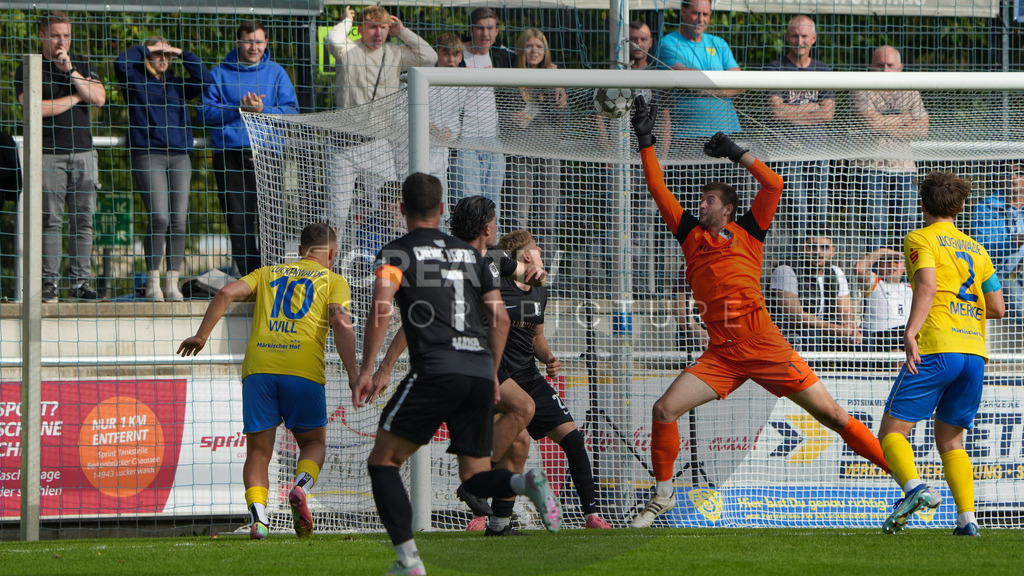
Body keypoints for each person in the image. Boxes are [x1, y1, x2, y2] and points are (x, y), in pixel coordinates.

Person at [628, 95, 891, 528]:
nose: (701, 204)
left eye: (709, 200)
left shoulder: (748, 230)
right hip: (722, 354)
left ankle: (909, 481)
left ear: (728, 209)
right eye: (701, 200)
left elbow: (774, 185)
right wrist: (646, 139)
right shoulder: (689, 234)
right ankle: (663, 495)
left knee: (835, 417)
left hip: (765, 345)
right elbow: (658, 187)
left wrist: (736, 152)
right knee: (663, 410)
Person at [351, 173, 560, 575]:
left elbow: (382, 309)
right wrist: (491, 373)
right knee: (476, 475)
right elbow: (499, 317)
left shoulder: (396, 252)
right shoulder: (472, 258)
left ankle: (408, 562)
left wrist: (367, 369)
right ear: (442, 209)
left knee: (383, 462)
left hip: (436, 368)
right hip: (479, 372)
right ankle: (524, 483)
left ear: (401, 208)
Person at [176, 222, 359, 540]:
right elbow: (341, 324)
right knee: (313, 443)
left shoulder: (267, 273)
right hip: (303, 370)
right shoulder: (334, 280)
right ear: (332, 253)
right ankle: (300, 487)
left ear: (300, 251)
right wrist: (355, 375)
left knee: (259, 452)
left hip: (259, 370)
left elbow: (225, 293)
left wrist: (202, 335)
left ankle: (259, 520)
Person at [878, 170, 1005, 537]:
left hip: (938, 345)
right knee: (951, 440)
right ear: (960, 207)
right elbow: (997, 307)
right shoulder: (977, 249)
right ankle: (968, 521)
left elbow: (928, 286)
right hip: (974, 354)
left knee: (892, 431)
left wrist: (911, 331)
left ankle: (915, 488)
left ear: (922, 205)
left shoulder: (920, 237)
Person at [483, 229, 613, 532]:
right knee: (512, 447)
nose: (541, 249)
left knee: (574, 439)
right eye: (535, 247)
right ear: (526, 255)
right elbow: (486, 257)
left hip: (529, 376)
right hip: (499, 377)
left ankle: (591, 515)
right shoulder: (497, 284)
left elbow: (537, 337)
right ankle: (482, 510)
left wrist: (549, 359)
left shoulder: (541, 289)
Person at [15, 10, 106, 302]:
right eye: (55, 35)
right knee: (50, 220)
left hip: (84, 153)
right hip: (48, 155)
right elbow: (34, 110)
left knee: (84, 221)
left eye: (66, 35)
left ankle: (80, 284)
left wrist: (70, 73)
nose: (61, 41)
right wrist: (77, 97)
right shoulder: (29, 67)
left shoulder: (80, 63)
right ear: (42, 35)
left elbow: (100, 98)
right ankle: (48, 285)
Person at [115, 36, 212, 302]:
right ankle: (152, 281)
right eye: (158, 54)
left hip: (180, 156)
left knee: (179, 220)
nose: (163, 59)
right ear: (147, 56)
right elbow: (121, 62)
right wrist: (148, 49)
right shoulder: (135, 79)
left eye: (167, 55)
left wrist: (181, 52)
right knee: (160, 217)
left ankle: (173, 282)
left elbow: (204, 79)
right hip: (148, 155)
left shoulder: (178, 84)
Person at [201, 20, 299, 277]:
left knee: (272, 220)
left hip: (269, 154)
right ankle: (251, 279)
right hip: (229, 155)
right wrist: (238, 110)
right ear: (238, 42)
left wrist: (262, 110)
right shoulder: (219, 73)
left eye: (259, 41)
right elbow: (203, 113)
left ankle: (275, 277)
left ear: (266, 43)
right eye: (248, 41)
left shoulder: (277, 72)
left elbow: (292, 111)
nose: (253, 47)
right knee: (238, 221)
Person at [324, 4, 436, 226]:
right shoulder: (347, 49)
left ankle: (390, 259)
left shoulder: (394, 53)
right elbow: (332, 39)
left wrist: (402, 31)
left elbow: (429, 57)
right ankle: (330, 261)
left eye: (383, 27)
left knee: (390, 211)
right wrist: (347, 20)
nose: (378, 33)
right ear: (361, 28)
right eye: (373, 27)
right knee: (336, 215)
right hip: (342, 145)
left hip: (377, 144)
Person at [852, 46, 929, 252]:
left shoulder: (910, 90)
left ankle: (905, 280)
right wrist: (905, 119)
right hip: (870, 167)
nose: (885, 70)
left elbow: (922, 128)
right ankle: (876, 280)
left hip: (904, 168)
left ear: (900, 68)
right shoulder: (861, 88)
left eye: (890, 66)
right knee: (876, 226)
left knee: (908, 225)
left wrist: (884, 122)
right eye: (880, 65)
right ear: (870, 68)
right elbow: (872, 125)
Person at [764, 15, 834, 233]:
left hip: (818, 152)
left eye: (804, 36)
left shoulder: (823, 71)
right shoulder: (774, 69)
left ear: (813, 38)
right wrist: (813, 107)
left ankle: (819, 263)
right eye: (795, 35)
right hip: (787, 152)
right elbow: (776, 112)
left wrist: (791, 110)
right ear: (787, 37)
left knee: (820, 211)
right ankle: (797, 262)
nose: (799, 41)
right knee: (798, 212)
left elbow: (828, 114)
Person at [505, 29, 566, 241]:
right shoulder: (509, 78)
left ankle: (544, 266)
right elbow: (506, 118)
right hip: (520, 154)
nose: (534, 51)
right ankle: (516, 268)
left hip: (549, 153)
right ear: (521, 49)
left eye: (539, 47)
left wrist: (555, 84)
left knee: (546, 219)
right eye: (529, 46)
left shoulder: (553, 78)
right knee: (518, 216)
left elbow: (561, 118)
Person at [451, 7, 513, 211]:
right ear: (470, 29)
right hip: (464, 141)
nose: (485, 34)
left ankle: (491, 244)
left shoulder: (503, 57)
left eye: (490, 28)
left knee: (492, 205)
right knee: (469, 204)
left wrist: (554, 77)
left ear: (497, 31)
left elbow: (534, 62)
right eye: (480, 28)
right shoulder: (456, 55)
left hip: (493, 141)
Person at [655, 0, 742, 145]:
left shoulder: (719, 43)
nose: (701, 19)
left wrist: (703, 88)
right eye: (696, 13)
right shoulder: (668, 43)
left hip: (729, 132)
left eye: (705, 14)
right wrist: (724, 86)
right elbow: (689, 80)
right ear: (683, 11)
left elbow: (741, 82)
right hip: (689, 135)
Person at [768, 231, 862, 352]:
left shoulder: (836, 272)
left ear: (833, 251)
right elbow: (795, 316)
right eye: (812, 246)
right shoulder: (786, 270)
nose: (818, 252)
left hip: (826, 337)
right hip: (790, 336)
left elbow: (845, 311)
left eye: (824, 247)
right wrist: (838, 330)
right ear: (803, 249)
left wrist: (851, 329)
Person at [971, 161, 1024, 322]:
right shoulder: (986, 206)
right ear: (999, 177)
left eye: (1019, 173)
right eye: (1007, 172)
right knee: (1012, 289)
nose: (1013, 177)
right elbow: (982, 249)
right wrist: (1014, 243)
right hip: (1002, 274)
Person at [853, 247, 913, 353]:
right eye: (887, 260)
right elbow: (859, 269)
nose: (891, 265)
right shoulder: (875, 282)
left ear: (905, 266)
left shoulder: (911, 288)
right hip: (879, 337)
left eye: (897, 261)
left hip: (905, 335)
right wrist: (882, 251)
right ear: (880, 265)